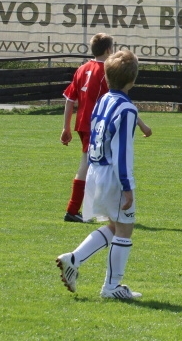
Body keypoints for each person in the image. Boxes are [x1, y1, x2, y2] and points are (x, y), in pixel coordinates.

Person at [55, 49, 144, 300]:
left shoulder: (104, 100)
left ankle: (74, 259)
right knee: (125, 228)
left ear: (106, 78)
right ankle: (112, 287)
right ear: (133, 80)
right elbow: (122, 152)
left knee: (115, 226)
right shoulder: (127, 109)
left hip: (96, 169)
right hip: (113, 175)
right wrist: (127, 186)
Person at [60, 33, 151, 223]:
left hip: (83, 123)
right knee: (95, 165)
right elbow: (119, 103)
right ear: (109, 50)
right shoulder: (108, 72)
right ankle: (76, 209)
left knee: (93, 164)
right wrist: (142, 125)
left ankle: (91, 209)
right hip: (99, 124)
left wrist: (66, 127)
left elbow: (69, 99)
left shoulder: (82, 68)